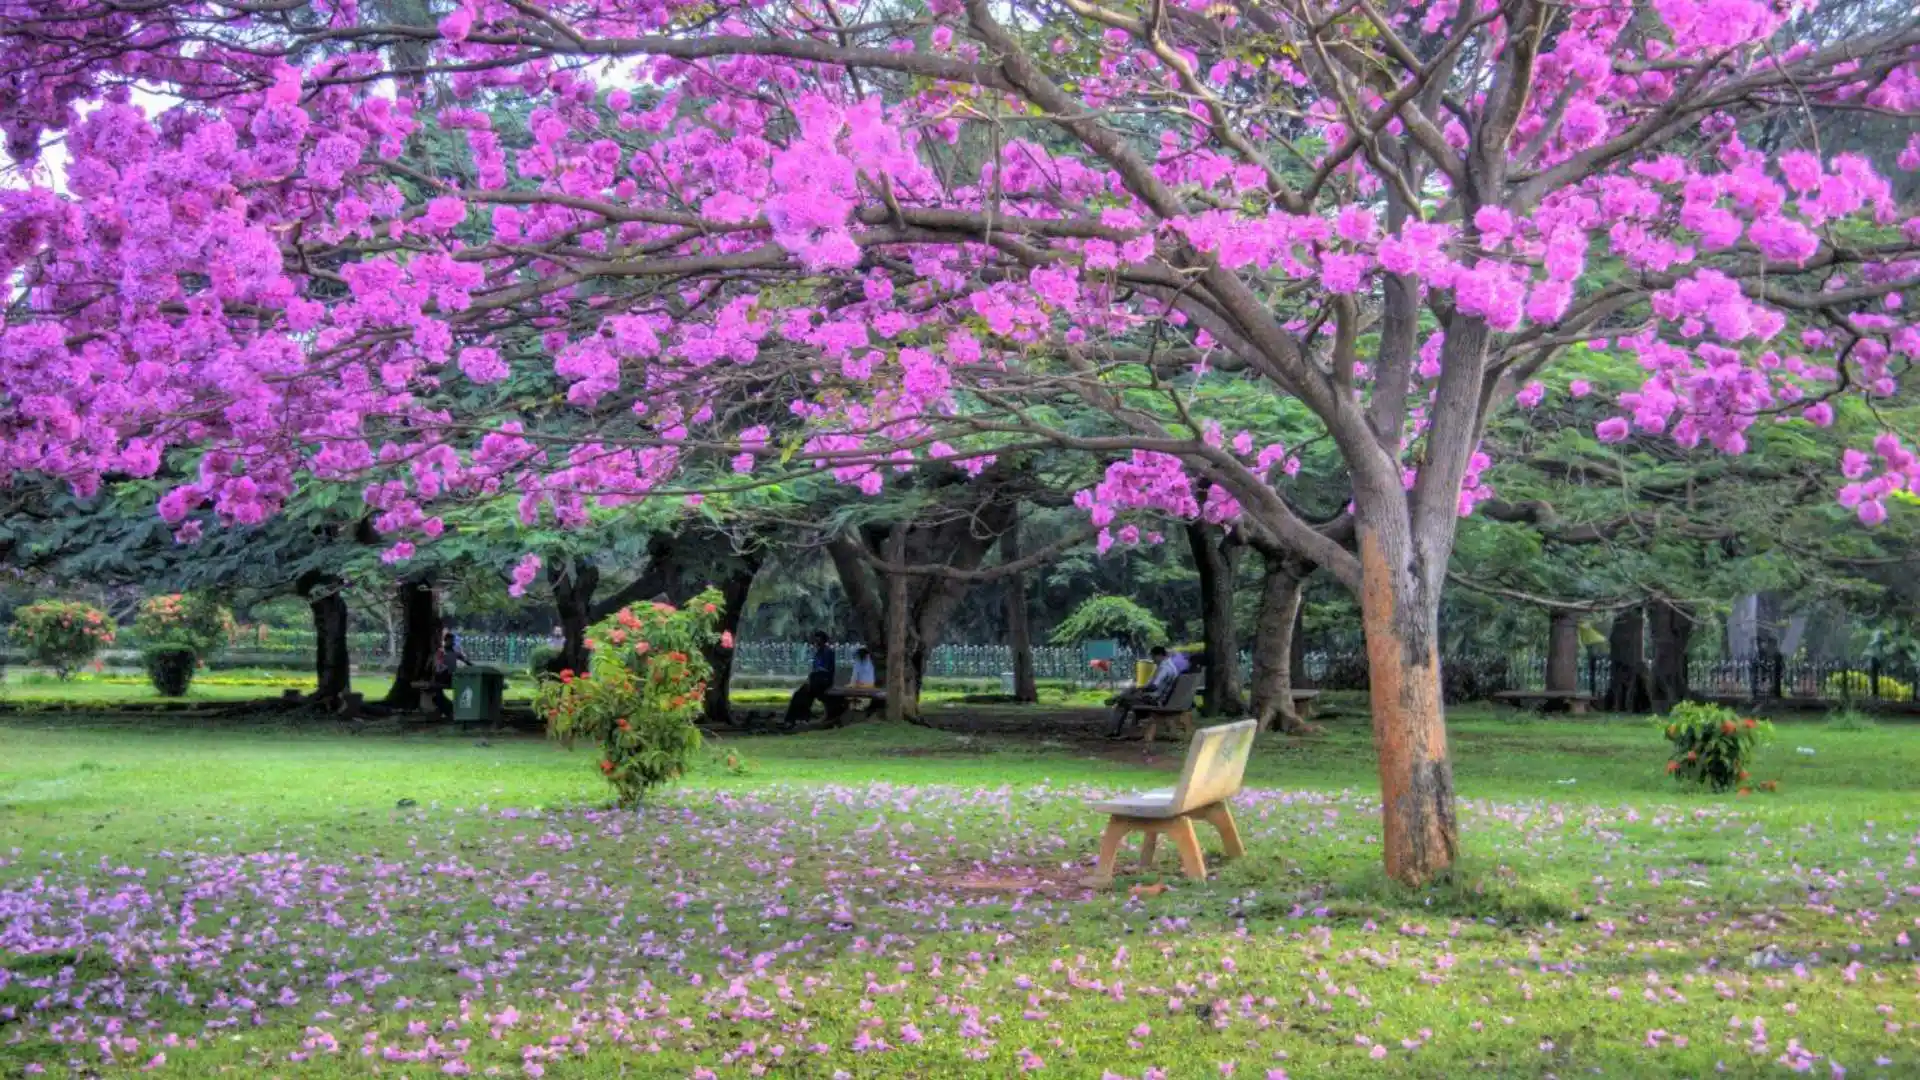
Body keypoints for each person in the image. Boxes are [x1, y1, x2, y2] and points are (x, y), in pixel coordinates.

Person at [1107, 645, 1179, 738]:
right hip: (1162, 699)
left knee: (1123, 702)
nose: (1153, 660)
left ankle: (1114, 730)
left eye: (1153, 657)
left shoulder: (1164, 667)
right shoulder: (1171, 666)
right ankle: (1117, 699)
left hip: (1155, 700)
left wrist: (1140, 689)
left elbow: (1154, 686)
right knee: (1130, 692)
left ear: (1160, 655)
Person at [784, 631, 836, 727]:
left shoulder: (828, 652)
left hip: (824, 680)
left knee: (807, 693)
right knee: (798, 694)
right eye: (815, 639)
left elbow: (825, 669)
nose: (816, 641)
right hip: (815, 680)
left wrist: (812, 678)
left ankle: (802, 718)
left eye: (818, 639)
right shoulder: (818, 653)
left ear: (823, 640)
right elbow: (815, 669)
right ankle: (791, 719)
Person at [430, 629, 468, 719]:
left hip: (452, 676)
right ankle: (449, 711)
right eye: (450, 641)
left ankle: (450, 710)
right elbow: (437, 666)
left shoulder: (455, 652)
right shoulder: (441, 652)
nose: (452, 643)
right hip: (441, 676)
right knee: (436, 696)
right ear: (446, 641)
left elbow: (465, 660)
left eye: (453, 641)